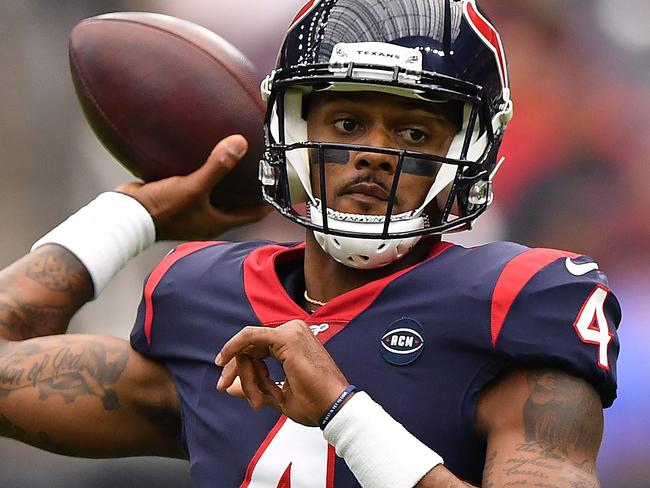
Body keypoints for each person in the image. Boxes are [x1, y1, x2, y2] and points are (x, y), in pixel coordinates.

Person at [0, 1, 620, 487]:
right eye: (347, 123)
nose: (373, 153)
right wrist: (132, 213)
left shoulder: (515, 304)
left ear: (467, 153)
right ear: (288, 131)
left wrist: (344, 414)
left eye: (412, 131)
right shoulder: (204, 301)